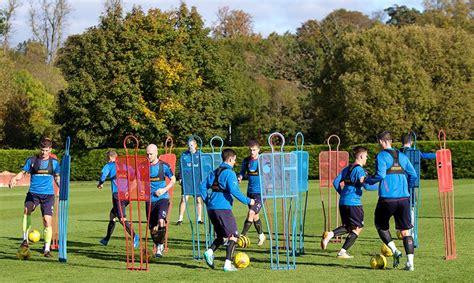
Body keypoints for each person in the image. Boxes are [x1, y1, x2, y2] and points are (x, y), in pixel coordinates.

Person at [366, 131, 418, 271]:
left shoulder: (381, 156)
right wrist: (407, 186)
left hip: (387, 199)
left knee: (380, 225)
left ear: (381, 141)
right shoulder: (402, 156)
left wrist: (368, 179)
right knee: (406, 231)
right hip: (404, 199)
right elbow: (413, 174)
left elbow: (381, 175)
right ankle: (410, 263)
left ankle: (395, 250)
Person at [200, 149, 255, 272]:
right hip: (223, 208)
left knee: (222, 235)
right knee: (234, 236)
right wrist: (249, 201)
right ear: (230, 159)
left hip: (211, 208)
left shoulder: (215, 171)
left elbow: (202, 186)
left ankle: (209, 252)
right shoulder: (230, 173)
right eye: (235, 160)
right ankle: (227, 264)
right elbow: (234, 191)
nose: (235, 162)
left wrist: (207, 201)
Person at [320, 146, 378, 258]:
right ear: (361, 156)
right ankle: (341, 250)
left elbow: (336, 182)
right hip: (354, 203)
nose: (366, 158)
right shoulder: (360, 170)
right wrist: (380, 187)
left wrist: (342, 194)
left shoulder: (347, 169)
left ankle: (332, 237)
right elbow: (366, 185)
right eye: (366, 156)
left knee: (349, 227)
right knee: (358, 227)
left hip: (343, 202)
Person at [9, 138, 60, 257]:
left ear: (50, 150)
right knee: (27, 210)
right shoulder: (32, 160)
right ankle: (25, 240)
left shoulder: (54, 163)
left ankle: (47, 249)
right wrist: (14, 178)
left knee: (47, 221)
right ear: (39, 149)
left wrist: (61, 186)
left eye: (46, 150)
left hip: (48, 196)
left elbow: (57, 177)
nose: (44, 152)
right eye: (42, 150)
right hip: (33, 194)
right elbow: (23, 172)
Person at [97, 150, 139, 248]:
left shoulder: (110, 165)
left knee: (121, 218)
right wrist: (130, 190)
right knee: (112, 215)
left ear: (110, 158)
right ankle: (106, 239)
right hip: (127, 196)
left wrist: (100, 183)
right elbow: (136, 178)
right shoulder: (125, 165)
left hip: (118, 196)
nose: (107, 161)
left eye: (107, 159)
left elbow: (103, 175)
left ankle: (134, 236)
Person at [145, 144, 176, 258]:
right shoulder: (144, 166)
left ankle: (160, 246)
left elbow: (173, 179)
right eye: (147, 154)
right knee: (152, 228)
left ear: (156, 153)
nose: (148, 156)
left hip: (162, 199)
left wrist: (164, 190)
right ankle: (157, 243)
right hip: (149, 200)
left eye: (151, 154)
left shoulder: (164, 166)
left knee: (161, 220)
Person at [238, 140, 265, 246]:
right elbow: (241, 172)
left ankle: (241, 237)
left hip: (261, 193)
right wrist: (239, 177)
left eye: (254, 150)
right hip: (250, 192)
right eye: (250, 150)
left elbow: (269, 173)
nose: (252, 152)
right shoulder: (246, 161)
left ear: (258, 150)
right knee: (255, 216)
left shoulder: (263, 160)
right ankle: (261, 235)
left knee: (251, 213)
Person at [176, 138, 203, 225]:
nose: (190, 146)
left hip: (197, 180)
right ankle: (180, 219)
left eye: (192, 145)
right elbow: (180, 167)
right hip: (187, 180)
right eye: (189, 144)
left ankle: (199, 219)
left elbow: (204, 167)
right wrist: (180, 177)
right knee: (184, 199)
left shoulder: (200, 155)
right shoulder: (184, 155)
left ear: (195, 145)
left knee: (198, 200)